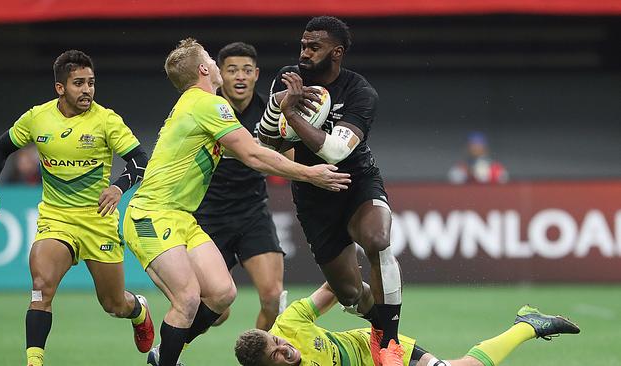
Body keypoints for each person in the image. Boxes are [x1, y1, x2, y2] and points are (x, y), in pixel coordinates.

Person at [120, 38, 350, 366]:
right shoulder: (207, 104)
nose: (217, 65)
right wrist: (311, 173)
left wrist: (281, 124)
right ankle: (167, 360)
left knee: (221, 294)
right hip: (152, 214)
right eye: (213, 61)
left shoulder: (193, 106)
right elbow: (253, 155)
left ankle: (165, 355)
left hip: (182, 217)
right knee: (186, 300)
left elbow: (251, 147)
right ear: (203, 69)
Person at [0, 50, 154, 366]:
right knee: (41, 289)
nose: (87, 90)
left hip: (97, 220)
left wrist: (118, 187)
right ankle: (34, 361)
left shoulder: (106, 120)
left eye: (91, 83)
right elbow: (2, 147)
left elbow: (141, 160)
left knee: (113, 304)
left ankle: (137, 309)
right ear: (60, 88)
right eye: (78, 83)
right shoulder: (38, 118)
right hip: (55, 219)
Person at [258, 16, 403, 365]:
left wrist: (292, 115)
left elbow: (337, 151)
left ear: (336, 52)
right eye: (303, 45)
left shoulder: (360, 93)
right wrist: (279, 108)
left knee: (377, 240)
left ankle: (389, 342)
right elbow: (265, 139)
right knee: (349, 293)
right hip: (313, 194)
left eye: (314, 47)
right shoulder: (288, 78)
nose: (304, 53)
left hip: (356, 180)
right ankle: (376, 322)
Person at [234, 282, 581, 366]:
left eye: (276, 340)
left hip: (382, 346)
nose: (285, 346)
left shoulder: (289, 322)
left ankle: (528, 325)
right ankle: (528, 324)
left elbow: (332, 288)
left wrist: (361, 296)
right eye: (276, 354)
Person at [194, 42, 286, 331]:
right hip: (208, 215)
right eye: (232, 70)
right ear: (220, 74)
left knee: (273, 297)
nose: (240, 77)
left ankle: (257, 356)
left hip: (252, 214)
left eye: (247, 70)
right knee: (216, 311)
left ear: (257, 74)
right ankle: (170, 352)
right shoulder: (205, 108)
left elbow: (287, 156)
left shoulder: (269, 113)